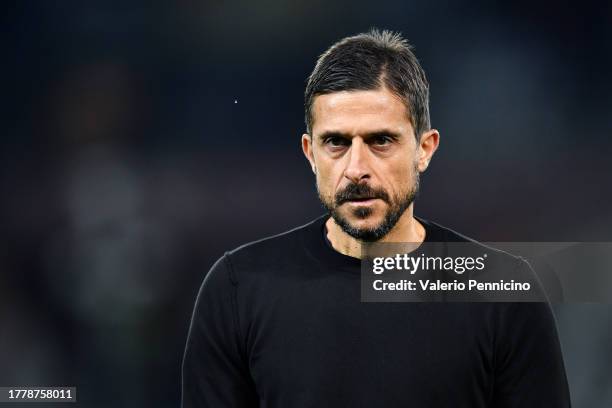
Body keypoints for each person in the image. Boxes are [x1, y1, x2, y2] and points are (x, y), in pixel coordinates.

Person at [181, 29, 571, 407]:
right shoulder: (238, 289)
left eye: (380, 140)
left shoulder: (502, 293)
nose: (356, 168)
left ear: (424, 148)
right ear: (309, 152)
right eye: (336, 142)